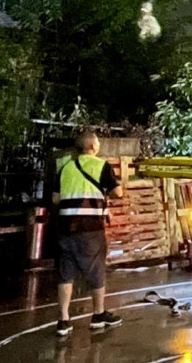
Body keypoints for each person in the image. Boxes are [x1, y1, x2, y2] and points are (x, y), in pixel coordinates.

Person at [52, 131, 123, 337]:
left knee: (66, 274)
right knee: (96, 270)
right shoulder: (101, 166)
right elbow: (117, 193)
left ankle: (63, 320)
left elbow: (56, 199)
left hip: (66, 228)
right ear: (92, 146)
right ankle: (98, 316)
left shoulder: (65, 168)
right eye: (98, 142)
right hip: (90, 228)